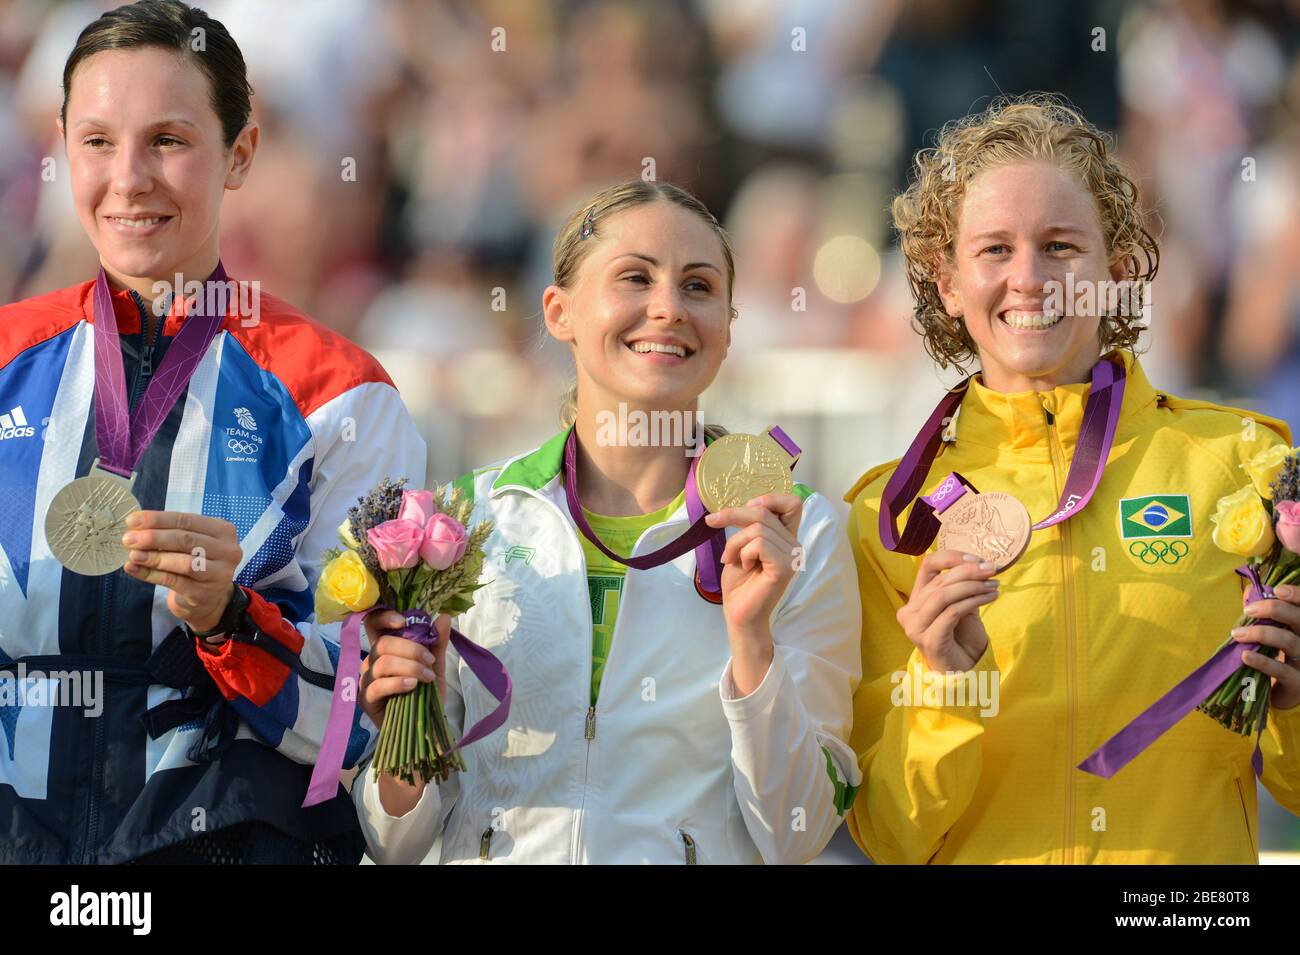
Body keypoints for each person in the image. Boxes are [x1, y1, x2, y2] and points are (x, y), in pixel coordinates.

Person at [0, 0, 424, 863]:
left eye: (168, 140)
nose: (130, 178)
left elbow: (370, 730)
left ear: (240, 155)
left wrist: (231, 618)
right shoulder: (7, 357)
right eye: (97, 141)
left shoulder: (341, 397)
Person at [844, 95, 1300, 864]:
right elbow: (890, 834)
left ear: (1117, 270)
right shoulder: (893, 517)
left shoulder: (1245, 466)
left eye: (1060, 246)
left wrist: (1296, 703)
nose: (1029, 278)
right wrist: (943, 688)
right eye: (993, 250)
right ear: (946, 282)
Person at [353, 180, 861, 864]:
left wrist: (752, 645)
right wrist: (404, 743)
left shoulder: (798, 529)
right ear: (558, 311)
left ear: (730, 327)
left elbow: (799, 831)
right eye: (634, 277)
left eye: (699, 286)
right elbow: (397, 845)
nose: (668, 309)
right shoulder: (461, 523)